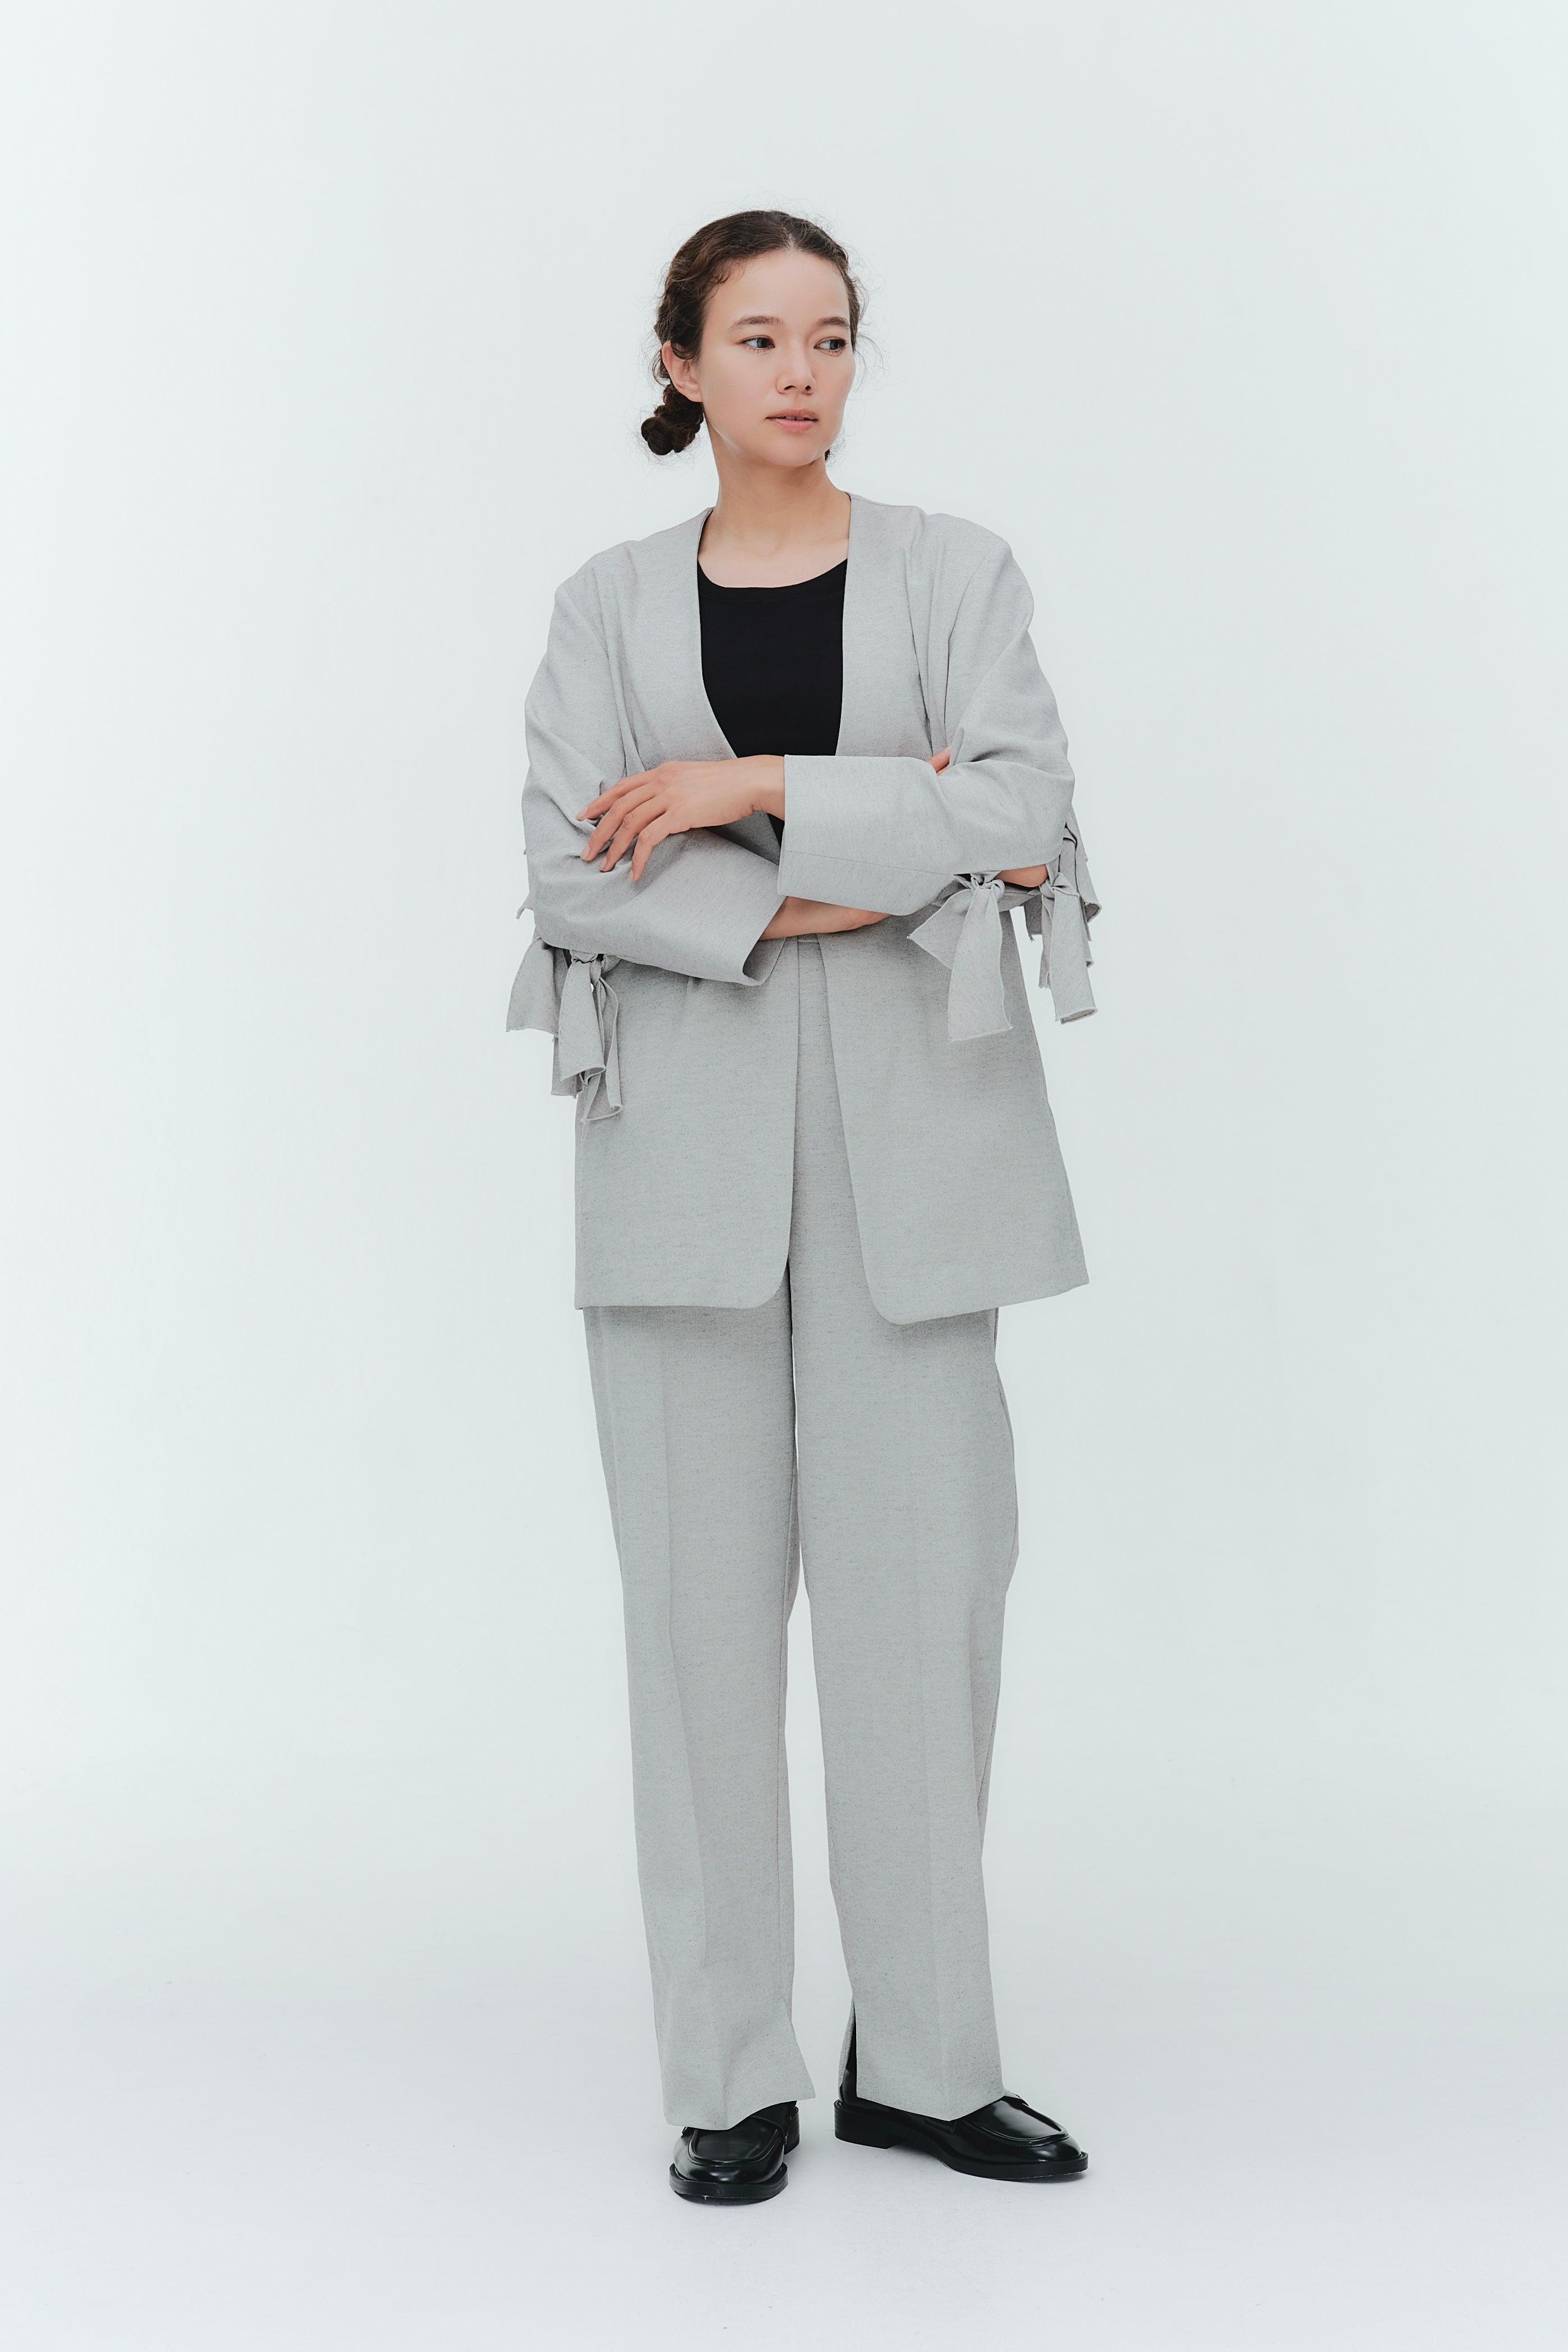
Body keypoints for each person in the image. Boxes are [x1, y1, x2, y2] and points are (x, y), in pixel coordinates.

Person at [508, 209, 1101, 2204]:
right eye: (756, 336)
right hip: (676, 1157)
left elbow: (1017, 812)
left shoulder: (955, 571)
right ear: (680, 364)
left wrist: (747, 785)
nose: (799, 370)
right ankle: (726, 2076)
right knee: (693, 1629)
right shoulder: (603, 608)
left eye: (829, 335)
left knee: (924, 1612)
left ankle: (926, 2065)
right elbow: (570, 874)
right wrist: (878, 858)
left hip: (919, 1154)